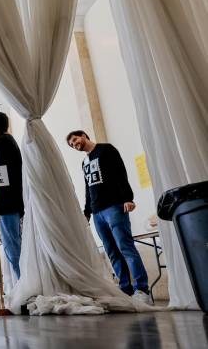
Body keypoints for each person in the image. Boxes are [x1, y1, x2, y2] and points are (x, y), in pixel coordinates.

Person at [66, 130, 152, 305]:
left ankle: (142, 290)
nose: (75, 144)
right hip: (97, 213)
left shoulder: (106, 150)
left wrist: (128, 198)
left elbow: (121, 173)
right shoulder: (84, 162)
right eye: (72, 145)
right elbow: (88, 189)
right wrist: (87, 213)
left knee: (125, 248)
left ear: (83, 135)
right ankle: (125, 290)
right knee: (112, 252)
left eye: (75, 140)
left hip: (114, 207)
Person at [0, 112, 23, 279]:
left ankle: (23, 283)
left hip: (6, 202)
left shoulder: (2, 142)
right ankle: (22, 282)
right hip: (12, 200)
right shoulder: (8, 141)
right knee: (13, 244)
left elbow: (0, 176)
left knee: (12, 246)